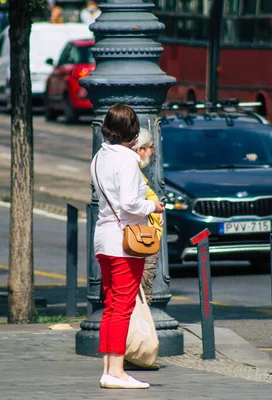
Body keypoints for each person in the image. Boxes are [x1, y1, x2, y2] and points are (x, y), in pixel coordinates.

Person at [91, 104, 165, 389]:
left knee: (111, 305)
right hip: (125, 243)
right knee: (122, 307)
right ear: (132, 131)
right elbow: (130, 203)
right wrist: (154, 206)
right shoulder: (127, 160)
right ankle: (117, 371)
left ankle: (109, 368)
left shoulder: (100, 156)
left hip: (104, 238)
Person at [131, 128, 163, 305]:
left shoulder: (138, 173)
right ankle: (139, 332)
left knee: (141, 296)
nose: (152, 151)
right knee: (141, 298)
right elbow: (131, 204)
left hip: (146, 240)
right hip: (141, 242)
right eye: (150, 147)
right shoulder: (132, 173)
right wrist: (153, 207)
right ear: (139, 150)